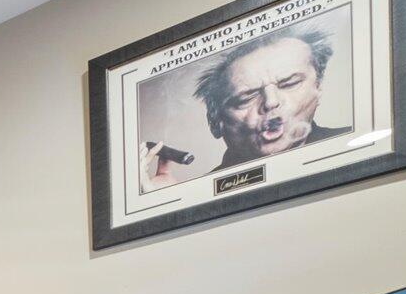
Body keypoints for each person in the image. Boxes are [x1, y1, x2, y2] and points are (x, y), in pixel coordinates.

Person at [141, 24, 345, 188]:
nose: (271, 102)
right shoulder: (202, 189)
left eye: (290, 83)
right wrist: (165, 203)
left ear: (318, 86)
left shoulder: (346, 146)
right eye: (245, 98)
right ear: (214, 122)